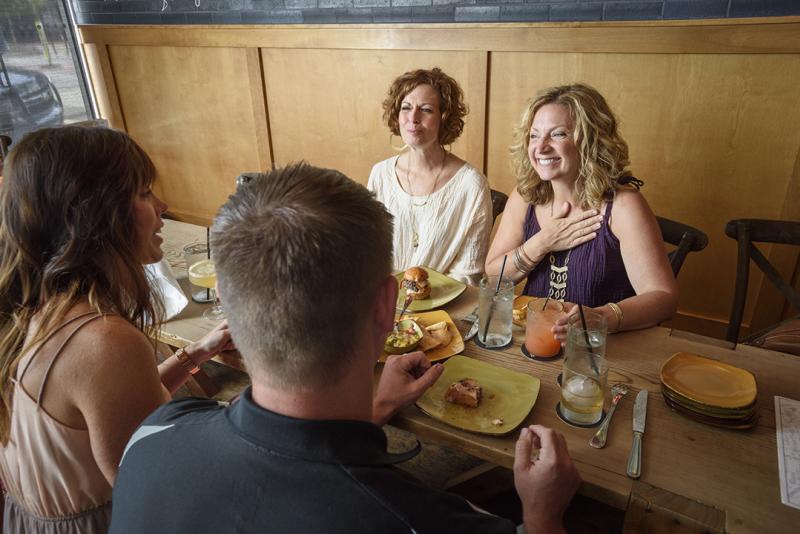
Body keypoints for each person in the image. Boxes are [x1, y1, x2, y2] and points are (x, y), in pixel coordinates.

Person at [109, 163, 580, 533]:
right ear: (387, 307)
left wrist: (379, 406)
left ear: (229, 307)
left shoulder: (150, 438)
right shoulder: (415, 520)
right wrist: (542, 516)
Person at [0, 126, 234, 533]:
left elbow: (104, 413)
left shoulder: (35, 309)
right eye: (144, 193)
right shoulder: (105, 340)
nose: (163, 205)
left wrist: (198, 352)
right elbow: (155, 494)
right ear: (95, 214)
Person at [486, 84, 677, 334]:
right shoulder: (525, 196)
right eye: (534, 135)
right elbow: (494, 277)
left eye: (558, 134)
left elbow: (664, 298)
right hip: (534, 339)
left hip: (598, 351)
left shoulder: (623, 206)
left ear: (590, 140)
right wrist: (542, 242)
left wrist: (602, 318)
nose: (540, 147)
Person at [368, 67, 493, 286]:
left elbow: (468, 275)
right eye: (406, 108)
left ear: (444, 118)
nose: (413, 118)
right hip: (383, 302)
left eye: (426, 110)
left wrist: (422, 301)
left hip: (444, 311)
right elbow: (368, 253)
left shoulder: (471, 185)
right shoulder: (380, 174)